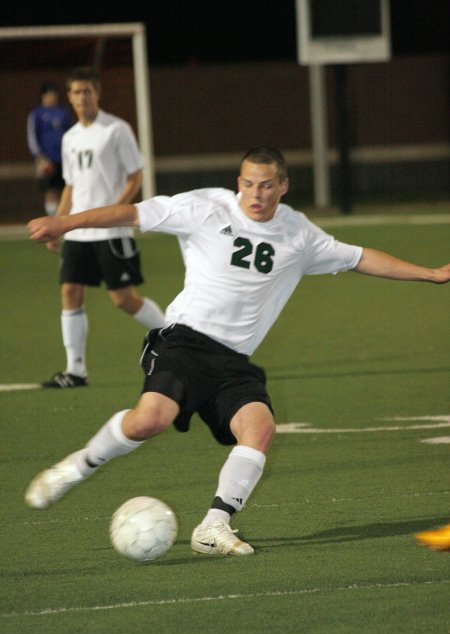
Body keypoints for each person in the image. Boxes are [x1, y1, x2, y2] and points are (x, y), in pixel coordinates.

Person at [24, 147, 450, 556]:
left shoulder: (299, 233)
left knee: (260, 428)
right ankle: (77, 467)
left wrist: (430, 274)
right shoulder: (206, 207)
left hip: (232, 361)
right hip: (183, 342)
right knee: (149, 422)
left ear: (283, 186)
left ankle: (213, 526)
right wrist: (65, 223)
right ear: (238, 183)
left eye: (266, 186)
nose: (256, 195)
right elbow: (130, 213)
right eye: (248, 184)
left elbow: (359, 257)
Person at [41, 67, 165, 389]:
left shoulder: (116, 129)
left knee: (123, 298)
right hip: (79, 231)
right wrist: (59, 224)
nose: (82, 97)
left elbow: (135, 175)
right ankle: (75, 371)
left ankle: (174, 340)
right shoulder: (69, 138)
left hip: (111, 231)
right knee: (70, 292)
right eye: (76, 92)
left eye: (87, 91)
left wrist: (118, 211)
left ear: (97, 93)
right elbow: (70, 184)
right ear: (69, 97)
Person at [27, 82, 73, 216]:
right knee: (50, 190)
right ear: (43, 96)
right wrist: (40, 157)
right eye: (49, 94)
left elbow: (71, 133)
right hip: (47, 159)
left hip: (64, 158)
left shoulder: (63, 112)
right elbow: (32, 136)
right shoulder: (37, 114)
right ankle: (52, 219)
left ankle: (66, 219)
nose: (52, 97)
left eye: (54, 94)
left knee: (66, 189)